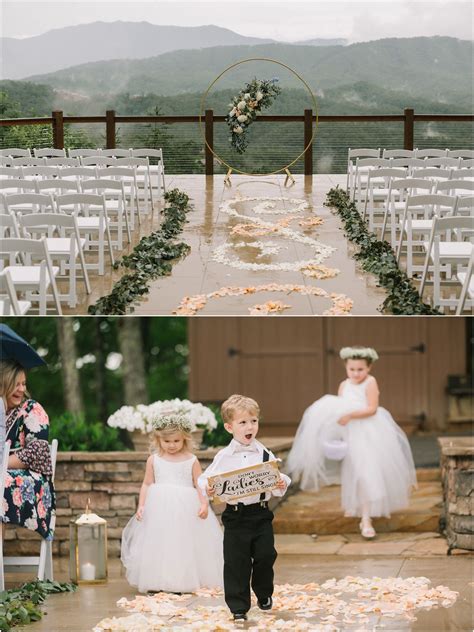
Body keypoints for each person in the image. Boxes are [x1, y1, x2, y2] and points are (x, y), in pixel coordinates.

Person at [287, 346, 417, 539]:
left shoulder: (370, 382)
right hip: (351, 433)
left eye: (360, 369)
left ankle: (366, 519)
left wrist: (350, 415)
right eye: (352, 369)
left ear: (369, 368)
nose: (356, 373)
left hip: (369, 431)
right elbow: (340, 407)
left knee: (367, 473)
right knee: (354, 471)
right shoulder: (344, 385)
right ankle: (356, 506)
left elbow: (372, 408)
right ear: (346, 368)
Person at [198, 394, 291, 622]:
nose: (250, 426)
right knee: (236, 562)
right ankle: (238, 607)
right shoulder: (224, 456)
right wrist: (208, 489)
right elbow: (204, 479)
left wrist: (281, 482)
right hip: (236, 516)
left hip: (260, 514)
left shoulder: (264, 453)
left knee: (265, 555)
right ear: (229, 427)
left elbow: (278, 477)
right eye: (243, 423)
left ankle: (264, 592)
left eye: (254, 421)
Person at [121, 413, 223, 594]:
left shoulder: (191, 460)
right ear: (158, 439)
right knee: (159, 543)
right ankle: (157, 580)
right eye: (167, 442)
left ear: (185, 439)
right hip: (159, 507)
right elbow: (147, 483)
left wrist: (204, 504)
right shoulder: (154, 460)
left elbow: (199, 484)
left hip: (185, 507)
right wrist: (141, 506)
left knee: (182, 543)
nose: (172, 445)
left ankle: (182, 581)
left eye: (176, 441)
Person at [1, 360, 56, 540]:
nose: (21, 389)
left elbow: (38, 451)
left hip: (31, 481)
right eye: (16, 384)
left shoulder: (31, 409)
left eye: (23, 384)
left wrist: (3, 464)